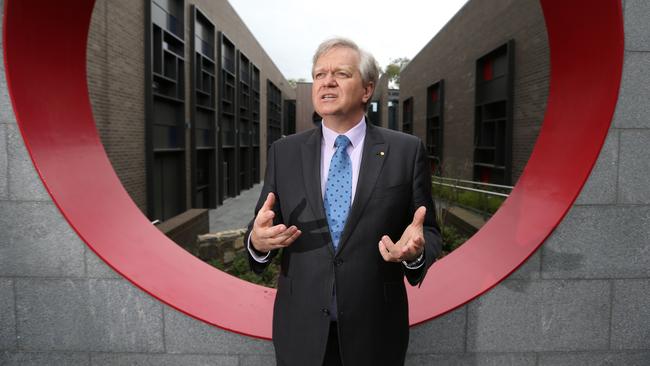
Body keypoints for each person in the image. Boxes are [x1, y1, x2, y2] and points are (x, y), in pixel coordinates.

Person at [246, 37, 442, 366]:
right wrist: (257, 240)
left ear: (367, 90)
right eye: (320, 73)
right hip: (300, 331)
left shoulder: (406, 152)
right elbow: (261, 225)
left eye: (341, 73)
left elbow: (429, 231)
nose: (327, 81)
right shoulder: (284, 152)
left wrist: (415, 252)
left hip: (376, 332)